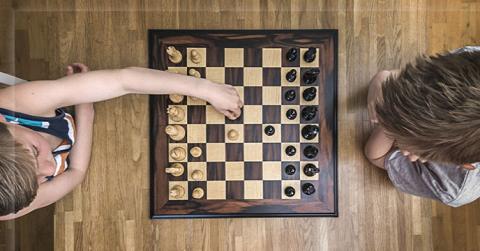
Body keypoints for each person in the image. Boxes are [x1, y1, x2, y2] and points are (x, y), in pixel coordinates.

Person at [0, 64, 243, 220]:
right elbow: (76, 171)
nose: (50, 168)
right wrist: (86, 111)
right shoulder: (13, 201)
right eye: (40, 180)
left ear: (5, 123)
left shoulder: (19, 103)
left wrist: (206, 89)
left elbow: (123, 80)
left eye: (34, 152)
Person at [364, 46, 480, 207]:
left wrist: (391, 122)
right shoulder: (470, 60)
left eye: (413, 149)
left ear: (463, 165)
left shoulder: (452, 188)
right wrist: (382, 81)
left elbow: (374, 155)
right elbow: (402, 79)